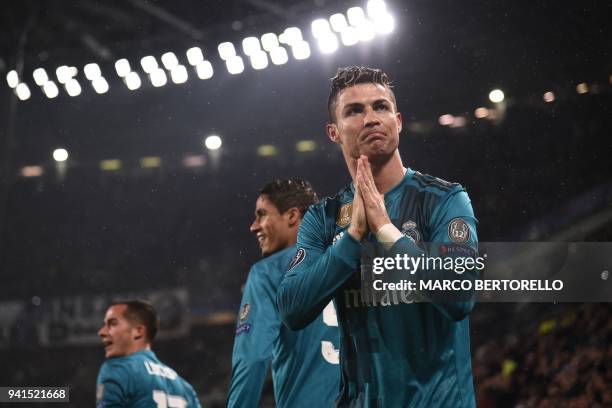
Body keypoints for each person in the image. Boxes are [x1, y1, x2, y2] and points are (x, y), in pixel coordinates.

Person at [276, 67, 479, 407]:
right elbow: (291, 309)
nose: (371, 118)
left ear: (398, 121)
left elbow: (460, 297)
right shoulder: (323, 219)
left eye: (380, 107)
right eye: (354, 111)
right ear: (333, 132)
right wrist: (353, 236)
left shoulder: (444, 199)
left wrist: (386, 231)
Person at [227, 179, 340, 408]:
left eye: (262, 215)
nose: (254, 226)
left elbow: (253, 358)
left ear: (292, 216)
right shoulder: (351, 262)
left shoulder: (269, 273)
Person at [96, 300, 200, 408]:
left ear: (138, 331)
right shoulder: (186, 388)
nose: (101, 332)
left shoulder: (117, 369)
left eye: (112, 323)